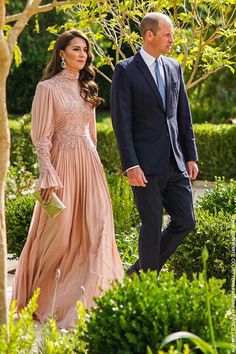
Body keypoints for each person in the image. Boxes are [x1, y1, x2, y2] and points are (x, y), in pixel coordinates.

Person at [12, 30, 124, 328]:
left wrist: (94, 164)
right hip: (61, 168)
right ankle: (44, 299)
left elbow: (92, 134)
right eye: (76, 49)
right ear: (61, 53)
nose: (82, 55)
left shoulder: (88, 86)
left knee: (98, 230)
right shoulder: (46, 88)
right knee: (59, 237)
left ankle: (92, 301)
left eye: (85, 50)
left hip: (90, 167)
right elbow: (42, 138)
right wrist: (47, 173)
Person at [110, 13, 199, 277]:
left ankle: (139, 271)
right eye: (167, 35)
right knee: (151, 225)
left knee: (186, 220)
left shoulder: (174, 67)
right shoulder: (125, 70)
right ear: (149, 35)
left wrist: (190, 156)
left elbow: (183, 114)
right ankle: (147, 284)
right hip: (145, 166)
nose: (172, 39)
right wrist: (131, 165)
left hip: (175, 161)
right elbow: (121, 123)